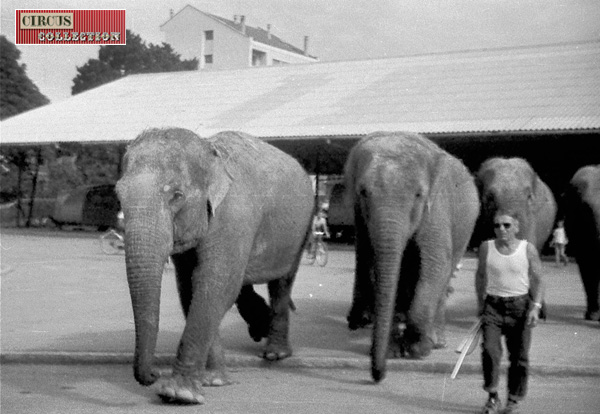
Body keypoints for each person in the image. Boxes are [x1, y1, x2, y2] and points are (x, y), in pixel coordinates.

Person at [475, 211, 545, 414]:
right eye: (497, 225)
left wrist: (536, 307)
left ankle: (513, 398)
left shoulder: (527, 249)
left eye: (506, 225)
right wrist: (480, 303)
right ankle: (493, 397)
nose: (501, 229)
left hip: (521, 307)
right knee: (489, 351)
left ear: (516, 227)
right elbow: (480, 276)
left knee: (519, 357)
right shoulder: (486, 248)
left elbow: (539, 279)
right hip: (493, 307)